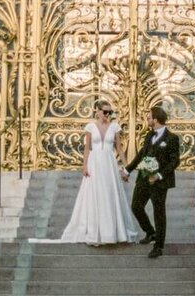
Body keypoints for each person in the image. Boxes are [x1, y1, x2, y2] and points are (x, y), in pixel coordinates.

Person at [59, 100, 140, 245]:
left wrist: (126, 167)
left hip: (109, 164)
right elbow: (86, 148)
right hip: (94, 164)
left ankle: (111, 232)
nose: (107, 115)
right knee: (94, 194)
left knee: (109, 194)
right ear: (97, 111)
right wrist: (84, 166)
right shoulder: (90, 127)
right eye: (105, 112)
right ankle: (94, 231)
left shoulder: (114, 127)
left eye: (110, 112)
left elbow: (119, 149)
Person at [126, 105, 180, 259]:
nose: (147, 119)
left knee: (159, 212)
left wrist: (159, 175)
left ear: (156, 120)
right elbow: (141, 154)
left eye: (149, 117)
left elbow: (175, 161)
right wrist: (127, 170)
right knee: (136, 206)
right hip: (144, 178)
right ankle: (150, 232)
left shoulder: (172, 138)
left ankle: (158, 246)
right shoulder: (149, 135)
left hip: (160, 182)